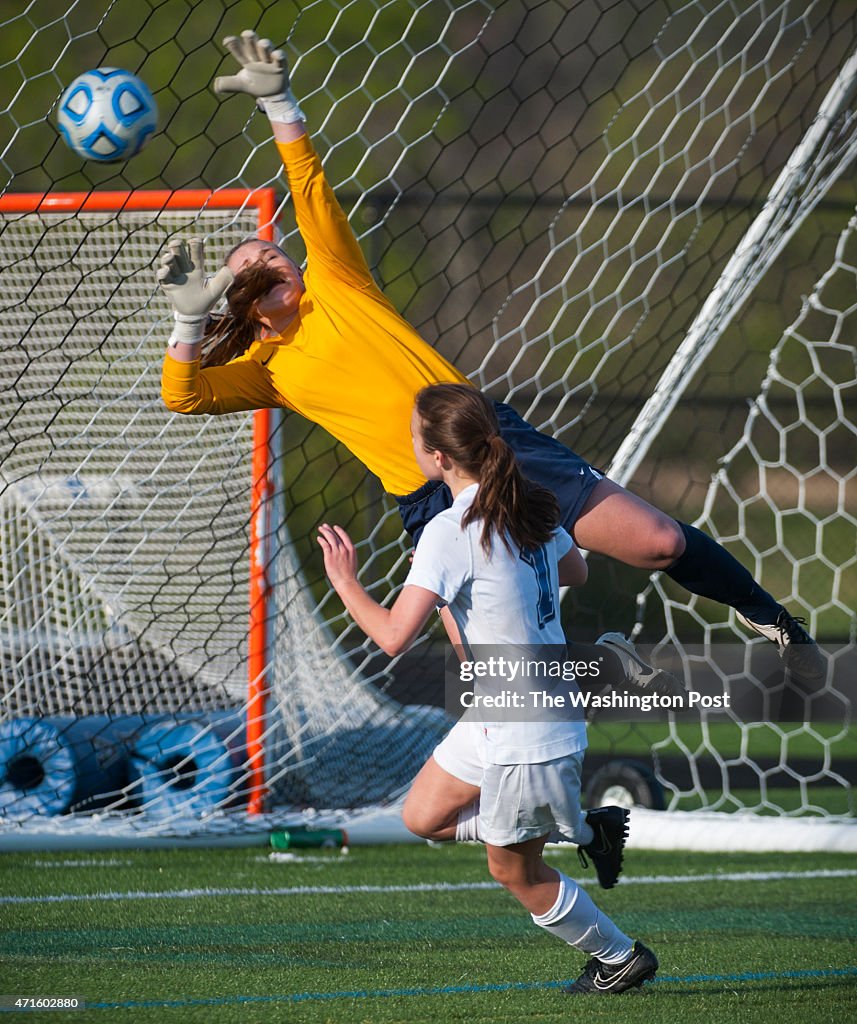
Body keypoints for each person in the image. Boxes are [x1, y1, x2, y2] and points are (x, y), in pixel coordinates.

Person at [157, 29, 822, 684]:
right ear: (238, 302)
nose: (265, 261)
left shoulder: (336, 282)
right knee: (485, 666)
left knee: (660, 543)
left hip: (495, 441)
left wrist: (281, 107)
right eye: (245, 268)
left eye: (271, 253)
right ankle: (550, 788)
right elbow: (183, 393)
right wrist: (189, 320)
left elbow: (311, 192)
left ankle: (775, 622)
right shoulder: (266, 372)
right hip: (431, 498)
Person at [318, 382, 659, 995]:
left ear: (438, 457)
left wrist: (344, 580)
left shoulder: (450, 530)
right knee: (422, 816)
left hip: (527, 729)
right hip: (501, 711)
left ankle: (618, 956)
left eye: (414, 436)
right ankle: (583, 828)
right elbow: (576, 569)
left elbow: (395, 637)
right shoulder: (527, 503)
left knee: (514, 872)